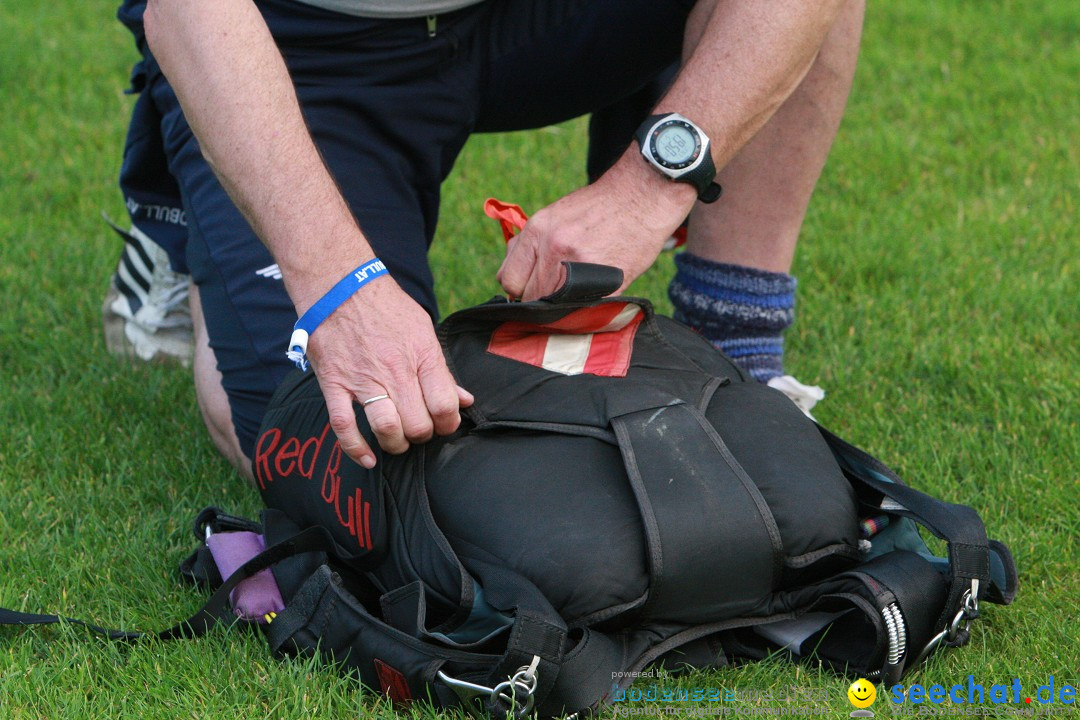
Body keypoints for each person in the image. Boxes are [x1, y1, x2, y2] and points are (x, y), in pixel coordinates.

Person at [107, 0, 865, 482]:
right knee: (329, 444)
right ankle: (185, 213)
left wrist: (646, 188)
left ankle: (737, 357)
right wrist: (341, 290)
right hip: (309, 38)